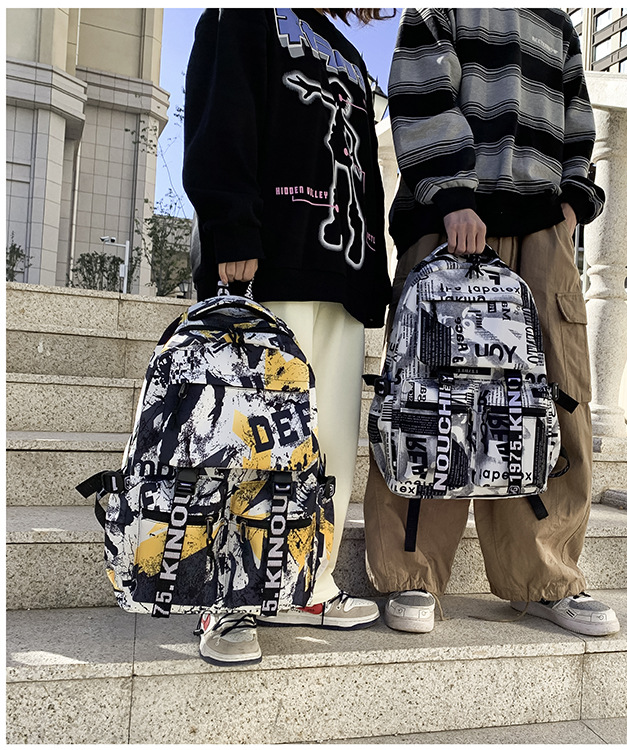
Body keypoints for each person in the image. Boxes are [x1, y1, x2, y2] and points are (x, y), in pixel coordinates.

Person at [363, 7, 621, 637]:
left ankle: (546, 577)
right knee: (427, 396)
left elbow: (578, 120)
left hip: (541, 231)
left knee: (558, 396)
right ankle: (411, 571)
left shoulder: (557, 23)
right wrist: (453, 195)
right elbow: (420, 91)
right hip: (450, 224)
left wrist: (572, 202)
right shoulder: (439, 8)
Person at [183, 7, 392, 665]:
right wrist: (231, 228)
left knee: (327, 445)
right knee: (250, 437)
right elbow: (219, 118)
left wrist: (373, 277)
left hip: (340, 269)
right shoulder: (243, 14)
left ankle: (308, 584)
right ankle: (227, 595)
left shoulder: (348, 53)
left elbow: (365, 173)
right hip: (267, 263)